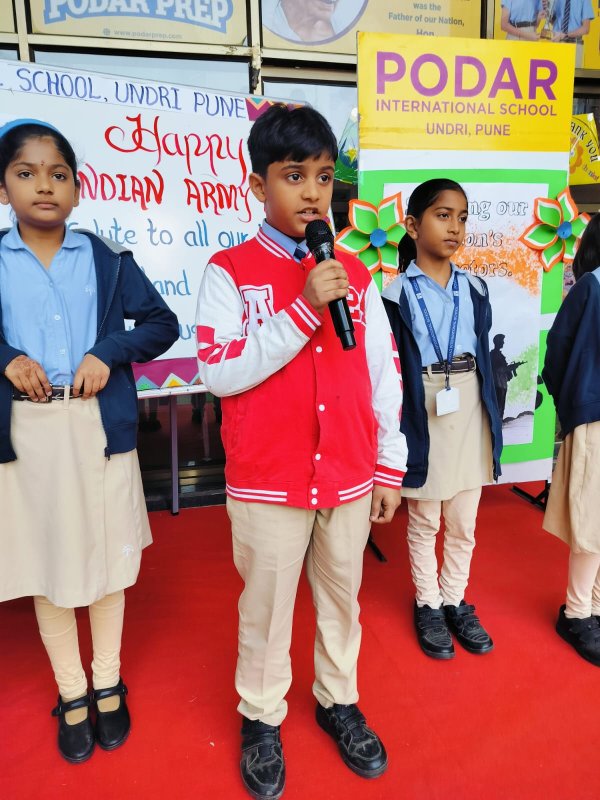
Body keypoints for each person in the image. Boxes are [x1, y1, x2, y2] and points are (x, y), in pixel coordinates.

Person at [195, 103, 407, 800]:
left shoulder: (356, 273)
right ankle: (261, 715)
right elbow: (218, 371)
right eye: (294, 176)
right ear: (259, 185)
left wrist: (389, 463)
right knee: (266, 606)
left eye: (322, 177)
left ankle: (337, 699)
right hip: (268, 482)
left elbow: (383, 371)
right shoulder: (230, 271)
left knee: (343, 600)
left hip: (347, 475)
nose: (314, 194)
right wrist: (302, 310)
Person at [0, 119, 179, 763]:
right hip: (26, 434)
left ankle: (107, 682)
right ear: (2, 189)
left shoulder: (106, 259)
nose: (44, 185)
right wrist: (6, 358)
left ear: (77, 189)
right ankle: (71, 691)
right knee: (46, 567)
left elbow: (162, 323)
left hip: (99, 429)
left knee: (106, 565)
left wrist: (108, 351)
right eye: (26, 173)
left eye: (59, 174)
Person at [381, 179, 502, 661]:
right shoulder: (394, 295)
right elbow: (390, 370)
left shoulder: (475, 288)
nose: (455, 227)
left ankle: (454, 598)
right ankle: (428, 603)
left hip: (468, 400)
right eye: (443, 215)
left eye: (462, 218)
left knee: (465, 519)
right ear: (413, 226)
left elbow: (484, 350)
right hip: (423, 402)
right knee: (425, 517)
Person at [542, 213, 600, 666]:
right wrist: (575, 407)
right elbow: (557, 353)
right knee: (591, 518)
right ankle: (577, 612)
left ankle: (595, 606)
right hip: (595, 415)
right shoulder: (591, 287)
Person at [489, 333, 525, 421]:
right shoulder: (494, 355)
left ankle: (499, 422)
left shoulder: (498, 355)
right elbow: (498, 369)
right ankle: (497, 423)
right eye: (502, 341)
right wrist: (510, 367)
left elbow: (504, 370)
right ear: (497, 342)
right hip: (498, 384)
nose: (503, 343)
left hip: (501, 384)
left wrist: (512, 368)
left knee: (501, 407)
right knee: (499, 406)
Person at [551, 0, 595, 68]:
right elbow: (553, 19)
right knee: (556, 71)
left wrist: (565, 35)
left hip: (574, 43)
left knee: (574, 72)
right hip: (557, 42)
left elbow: (586, 29)